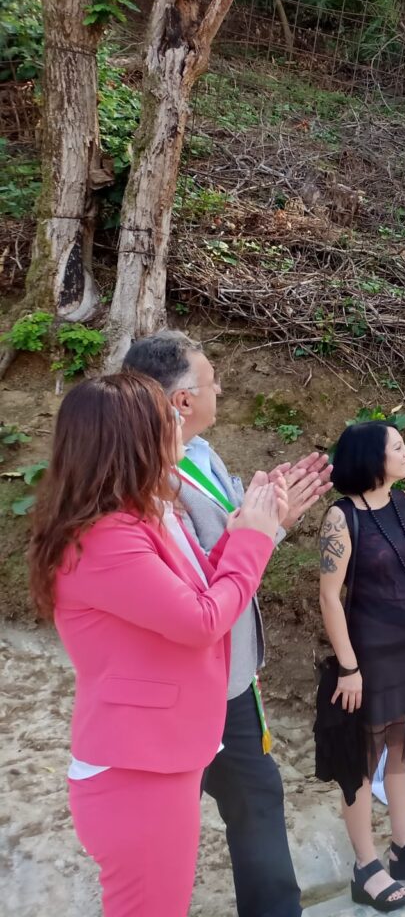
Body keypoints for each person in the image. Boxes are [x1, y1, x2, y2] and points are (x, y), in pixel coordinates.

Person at [28, 374, 287, 917]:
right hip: (136, 770)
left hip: (160, 755)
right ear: (132, 437)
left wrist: (253, 528)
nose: (177, 419)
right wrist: (253, 540)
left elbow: (200, 588)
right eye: (164, 415)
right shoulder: (104, 537)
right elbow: (199, 619)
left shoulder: (146, 513)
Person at [123, 330, 331, 917]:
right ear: (184, 400)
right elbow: (208, 570)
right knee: (168, 830)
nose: (222, 389)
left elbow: (237, 544)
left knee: (256, 797)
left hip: (232, 678)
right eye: (212, 381)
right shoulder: (144, 479)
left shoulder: (202, 454)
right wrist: (262, 527)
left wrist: (275, 519)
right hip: (179, 684)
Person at [316, 421, 405, 913]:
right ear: (372, 459)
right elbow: (329, 598)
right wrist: (348, 667)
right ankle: (365, 866)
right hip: (368, 655)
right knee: (360, 762)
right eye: (397, 447)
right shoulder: (341, 518)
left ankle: (404, 847)